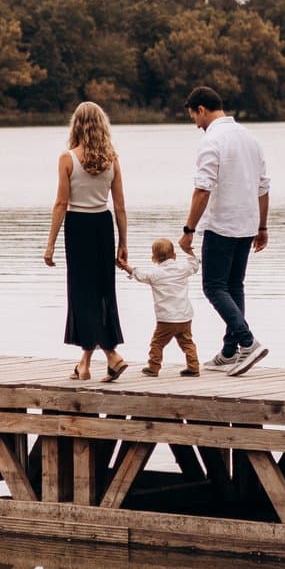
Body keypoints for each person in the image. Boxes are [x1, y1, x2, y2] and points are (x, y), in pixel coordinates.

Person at [177, 85, 269, 376]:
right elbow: (263, 187)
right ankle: (230, 352)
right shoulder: (250, 139)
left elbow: (202, 189)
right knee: (234, 286)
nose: (195, 123)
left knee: (213, 287)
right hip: (247, 223)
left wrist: (189, 229)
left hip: (221, 225)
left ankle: (247, 341)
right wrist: (262, 226)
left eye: (194, 116)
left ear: (201, 110)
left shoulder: (211, 141)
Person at [44, 100, 130, 381]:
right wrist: (123, 243)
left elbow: (60, 203)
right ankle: (85, 363)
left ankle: (112, 355)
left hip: (78, 226)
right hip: (103, 226)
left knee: (83, 294)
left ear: (76, 125)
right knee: (103, 292)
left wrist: (50, 243)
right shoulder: (112, 159)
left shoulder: (67, 158)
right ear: (102, 125)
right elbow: (119, 206)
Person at [125, 237, 200, 377]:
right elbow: (194, 265)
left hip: (166, 319)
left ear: (153, 258)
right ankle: (194, 367)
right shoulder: (182, 269)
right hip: (185, 317)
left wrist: (126, 267)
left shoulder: (155, 274)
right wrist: (189, 252)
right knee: (187, 342)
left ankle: (153, 367)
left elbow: (139, 274)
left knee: (157, 343)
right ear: (175, 255)